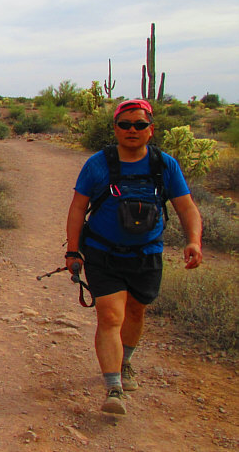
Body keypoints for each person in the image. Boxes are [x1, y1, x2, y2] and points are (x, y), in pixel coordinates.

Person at [64, 99, 202, 415]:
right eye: (125, 124)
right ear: (115, 129)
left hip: (146, 255)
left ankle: (125, 361)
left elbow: (186, 207)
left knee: (136, 312)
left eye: (140, 125)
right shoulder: (98, 164)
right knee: (111, 316)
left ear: (151, 130)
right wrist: (73, 250)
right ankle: (113, 387)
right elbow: (78, 208)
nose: (132, 130)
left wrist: (194, 241)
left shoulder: (165, 165)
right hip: (103, 253)